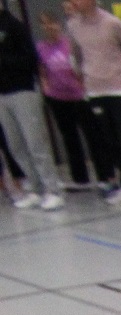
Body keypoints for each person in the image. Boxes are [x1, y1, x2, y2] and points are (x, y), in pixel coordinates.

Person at [66, 0, 121, 207]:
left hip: (118, 88)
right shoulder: (73, 25)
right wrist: (80, 73)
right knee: (109, 141)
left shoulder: (112, 23)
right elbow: (75, 53)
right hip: (95, 90)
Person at [0, 4, 61, 208]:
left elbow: (30, 59)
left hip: (22, 90)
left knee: (35, 141)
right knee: (15, 144)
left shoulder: (14, 26)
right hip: (2, 96)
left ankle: (52, 189)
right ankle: (34, 187)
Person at [36, 11, 94, 191]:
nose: (48, 28)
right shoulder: (40, 48)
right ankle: (80, 178)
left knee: (92, 135)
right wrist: (46, 88)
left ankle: (105, 175)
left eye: (51, 23)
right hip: (57, 97)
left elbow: (82, 66)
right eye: (44, 24)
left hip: (78, 96)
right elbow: (42, 70)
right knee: (70, 138)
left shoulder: (69, 45)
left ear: (59, 25)